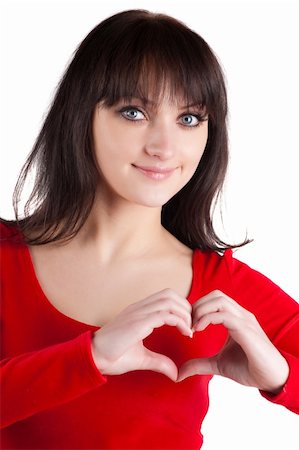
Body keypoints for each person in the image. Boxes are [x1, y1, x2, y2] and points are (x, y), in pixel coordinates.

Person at [0, 9, 298, 450]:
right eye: (134, 112)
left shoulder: (222, 286)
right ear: (82, 116)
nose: (164, 147)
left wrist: (280, 376)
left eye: (190, 119)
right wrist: (91, 357)